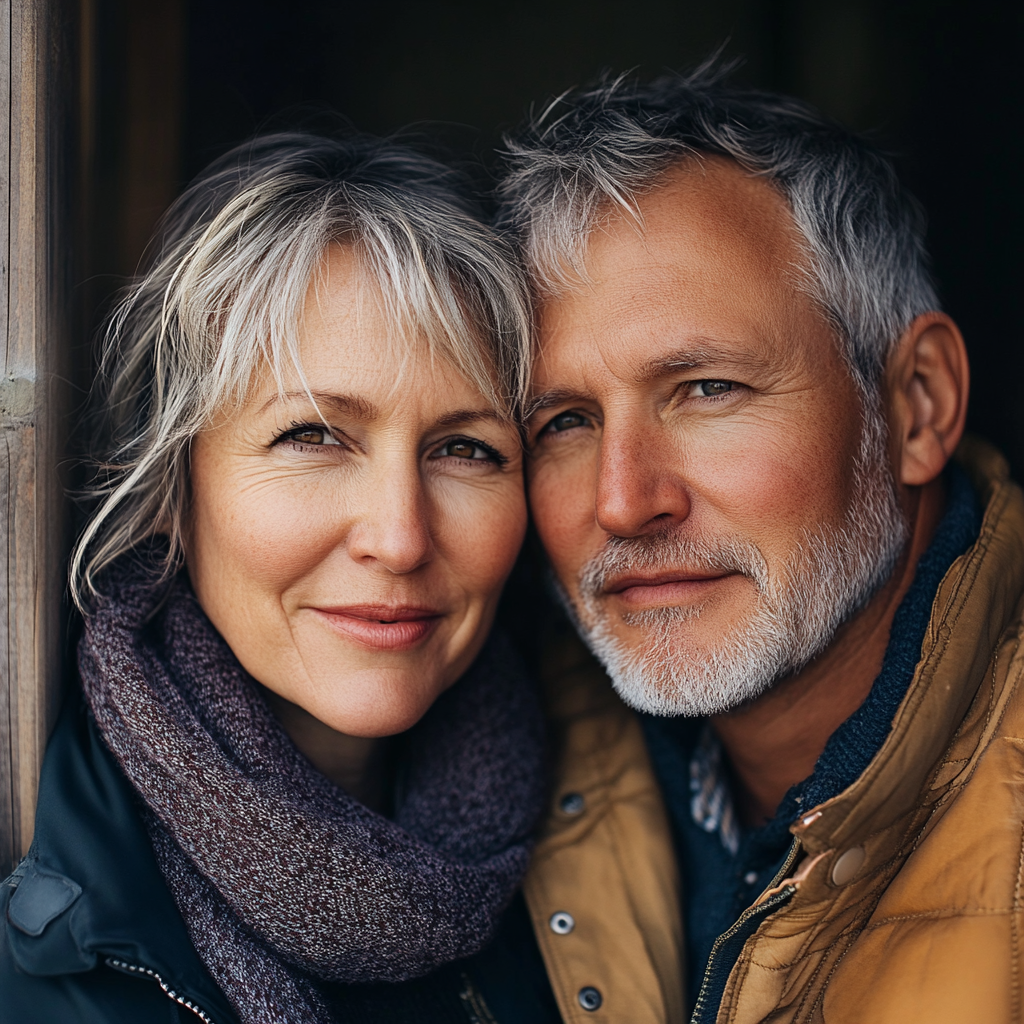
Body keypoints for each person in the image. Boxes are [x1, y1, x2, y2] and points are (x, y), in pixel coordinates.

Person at [497, 67, 1024, 1023]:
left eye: (707, 390)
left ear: (917, 405)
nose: (623, 501)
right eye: (565, 422)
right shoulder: (488, 792)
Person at [0, 132, 557, 1024]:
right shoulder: (45, 946)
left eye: (465, 448)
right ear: (173, 487)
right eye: (313, 436)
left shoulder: (617, 837)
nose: (401, 537)